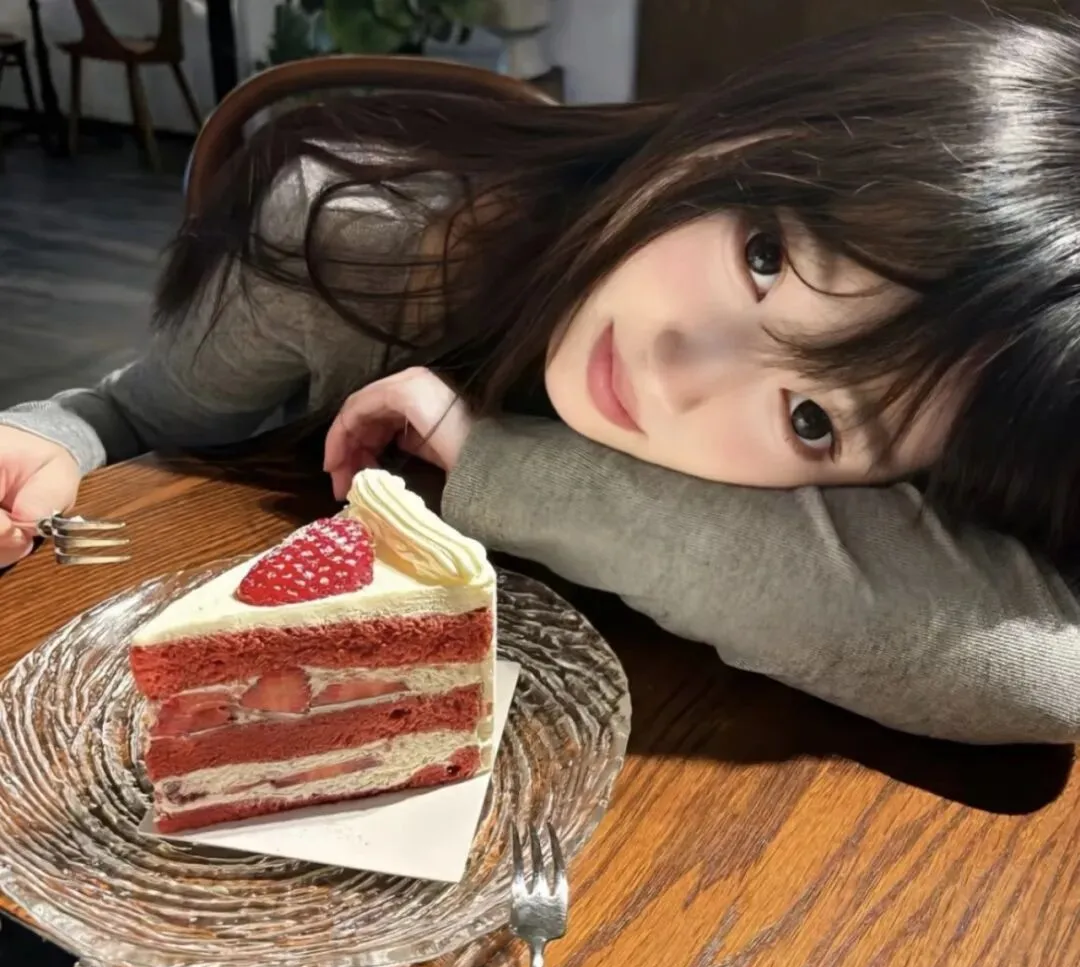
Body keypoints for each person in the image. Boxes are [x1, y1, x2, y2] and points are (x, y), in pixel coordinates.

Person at [2, 12, 1080, 744]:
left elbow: (1049, 675)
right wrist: (53, 438)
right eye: (767, 258)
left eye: (811, 418)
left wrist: (497, 461)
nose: (679, 377)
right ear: (743, 138)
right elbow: (136, 412)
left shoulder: (948, 434)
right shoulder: (364, 237)